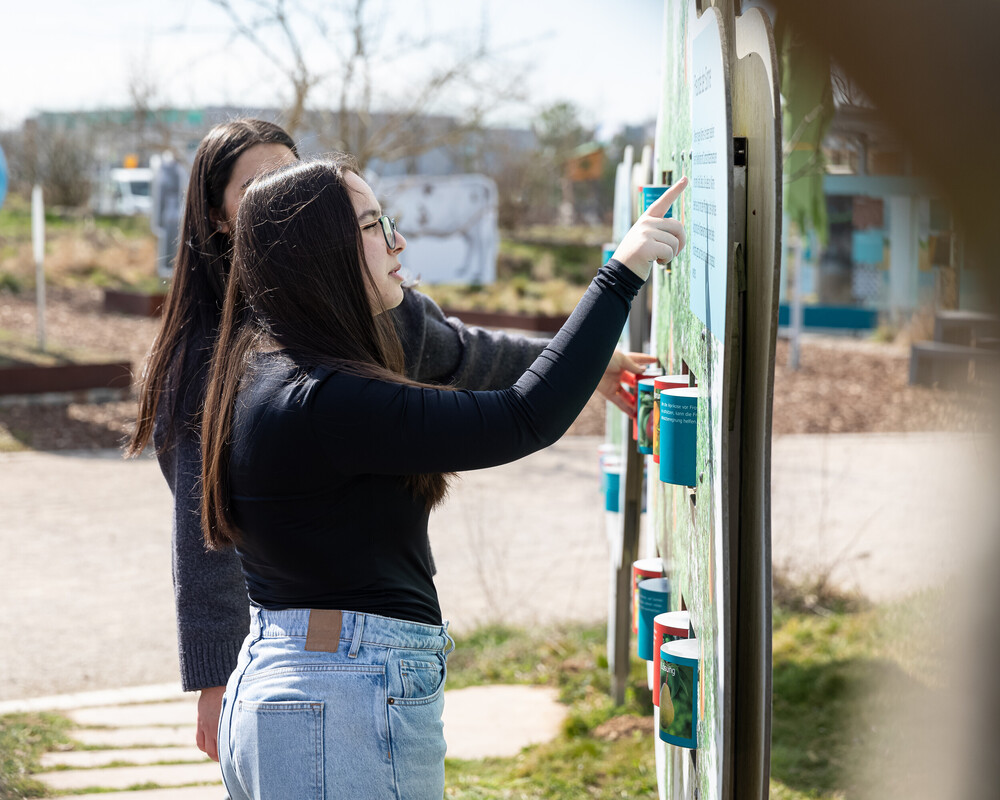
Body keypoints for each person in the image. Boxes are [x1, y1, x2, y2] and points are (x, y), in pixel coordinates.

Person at [126, 118, 655, 762]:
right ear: (218, 217)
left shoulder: (352, 327)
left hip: (329, 670)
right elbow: (204, 529)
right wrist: (215, 675)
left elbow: (467, 353)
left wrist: (589, 360)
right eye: (262, 184)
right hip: (335, 679)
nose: (286, 194)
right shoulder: (249, 371)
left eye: (292, 175)